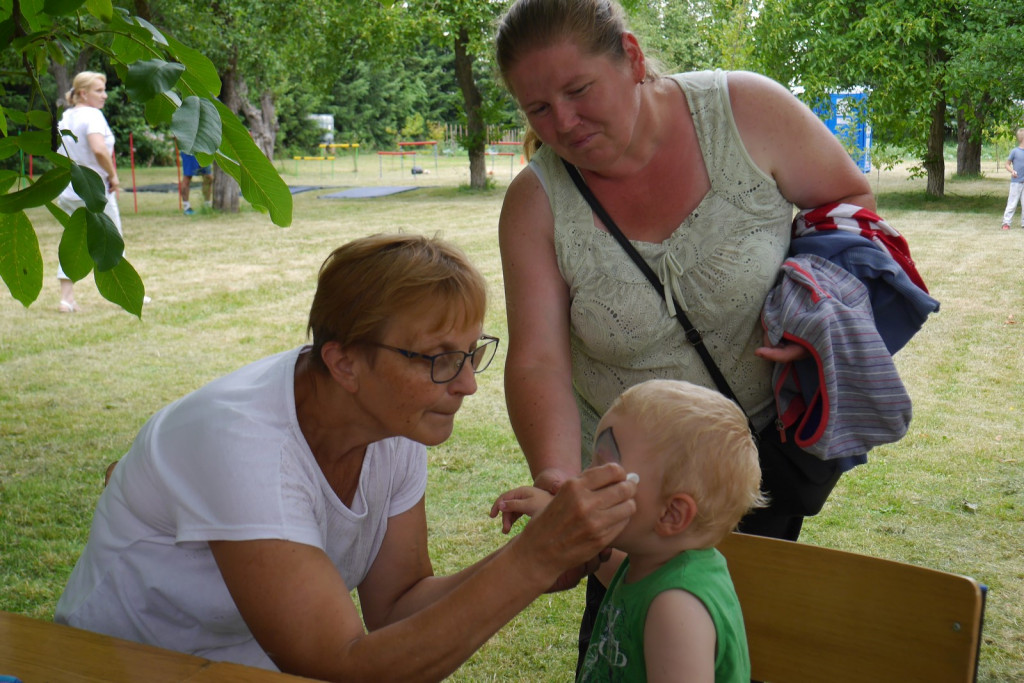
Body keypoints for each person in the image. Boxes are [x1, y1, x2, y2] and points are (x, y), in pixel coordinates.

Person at [55, 233, 638, 681]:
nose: (467, 385)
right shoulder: (244, 442)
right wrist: (532, 560)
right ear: (343, 363)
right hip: (107, 666)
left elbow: (398, 607)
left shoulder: (392, 422)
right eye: (438, 358)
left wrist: (536, 564)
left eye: (469, 353)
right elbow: (343, 666)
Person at [494, 0, 875, 667]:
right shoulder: (536, 201)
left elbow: (850, 205)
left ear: (632, 56)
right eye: (539, 109)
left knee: (749, 644)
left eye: (578, 90)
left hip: (752, 469)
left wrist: (815, 309)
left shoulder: (748, 111)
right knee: (624, 652)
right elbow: (538, 362)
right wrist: (561, 488)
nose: (564, 123)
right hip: (629, 496)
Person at [492, 379, 766, 682]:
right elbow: (609, 565)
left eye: (604, 471)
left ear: (671, 514)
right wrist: (554, 513)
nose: (582, 480)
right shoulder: (650, 563)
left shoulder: (677, 608)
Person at [54, 71, 121, 313]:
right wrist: (112, 175)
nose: (105, 95)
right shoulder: (93, 115)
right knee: (112, 241)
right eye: (99, 90)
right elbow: (99, 149)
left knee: (73, 242)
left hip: (68, 189)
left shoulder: (65, 117)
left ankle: (66, 299)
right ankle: (123, 293)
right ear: (83, 93)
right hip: (94, 191)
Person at [1001, 127, 1024, 230]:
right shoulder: (1015, 151)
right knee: (1012, 203)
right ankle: (1006, 223)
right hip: (1016, 182)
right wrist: (1012, 171)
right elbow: (1007, 164)